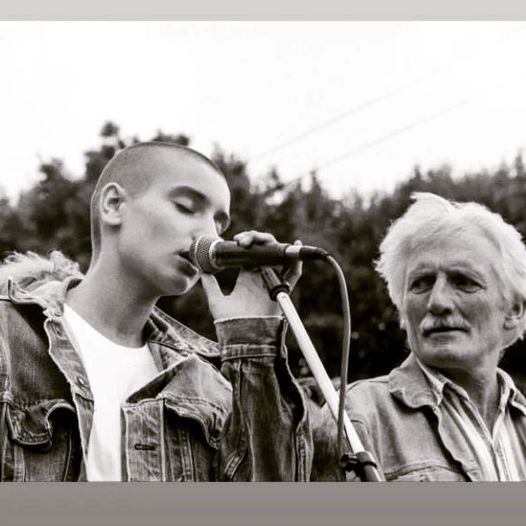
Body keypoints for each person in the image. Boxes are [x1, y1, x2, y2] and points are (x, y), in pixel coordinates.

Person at [0, 142, 310, 481]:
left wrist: (251, 337)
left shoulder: (208, 387)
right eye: (186, 207)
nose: (209, 236)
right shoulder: (9, 338)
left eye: (219, 226)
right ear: (114, 205)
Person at [312, 192, 526, 481]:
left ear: (513, 310)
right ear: (402, 308)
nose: (437, 302)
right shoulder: (355, 416)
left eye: (464, 282)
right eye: (421, 283)